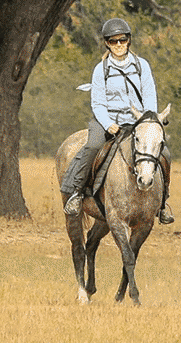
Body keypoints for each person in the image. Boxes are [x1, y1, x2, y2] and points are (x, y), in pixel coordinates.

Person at [60, 17, 174, 224]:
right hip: (109, 121)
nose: (119, 45)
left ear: (129, 41)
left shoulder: (142, 66)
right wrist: (107, 123)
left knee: (164, 152)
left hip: (137, 122)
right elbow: (98, 103)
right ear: (107, 43)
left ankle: (163, 203)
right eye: (113, 41)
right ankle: (76, 193)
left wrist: (146, 121)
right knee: (93, 146)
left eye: (122, 40)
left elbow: (149, 96)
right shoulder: (101, 69)